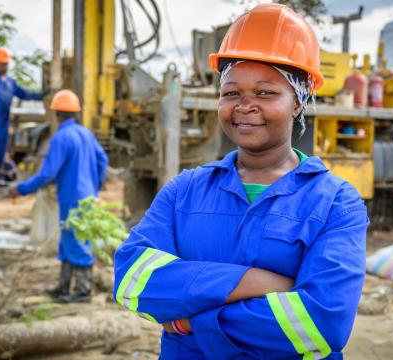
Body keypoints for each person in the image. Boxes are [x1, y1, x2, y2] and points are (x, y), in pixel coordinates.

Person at [113, 4, 369, 359]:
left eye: (265, 93)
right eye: (231, 93)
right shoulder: (183, 191)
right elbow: (132, 281)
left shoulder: (336, 203)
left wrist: (189, 320)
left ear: (298, 102)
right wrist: (252, 283)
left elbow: (321, 324)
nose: (244, 106)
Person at [9, 89, 109, 303]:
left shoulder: (61, 137)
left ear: (56, 114)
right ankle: (63, 286)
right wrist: (95, 185)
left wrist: (22, 188)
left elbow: (47, 173)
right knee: (69, 239)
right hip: (87, 195)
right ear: (75, 113)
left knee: (76, 240)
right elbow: (103, 161)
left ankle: (83, 290)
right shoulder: (86, 134)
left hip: (72, 197)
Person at [0, 48, 44, 191]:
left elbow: (23, 94)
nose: (4, 67)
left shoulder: (10, 82)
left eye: (6, 64)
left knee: (0, 149)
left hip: (4, 120)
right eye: (1, 64)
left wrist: (41, 95)